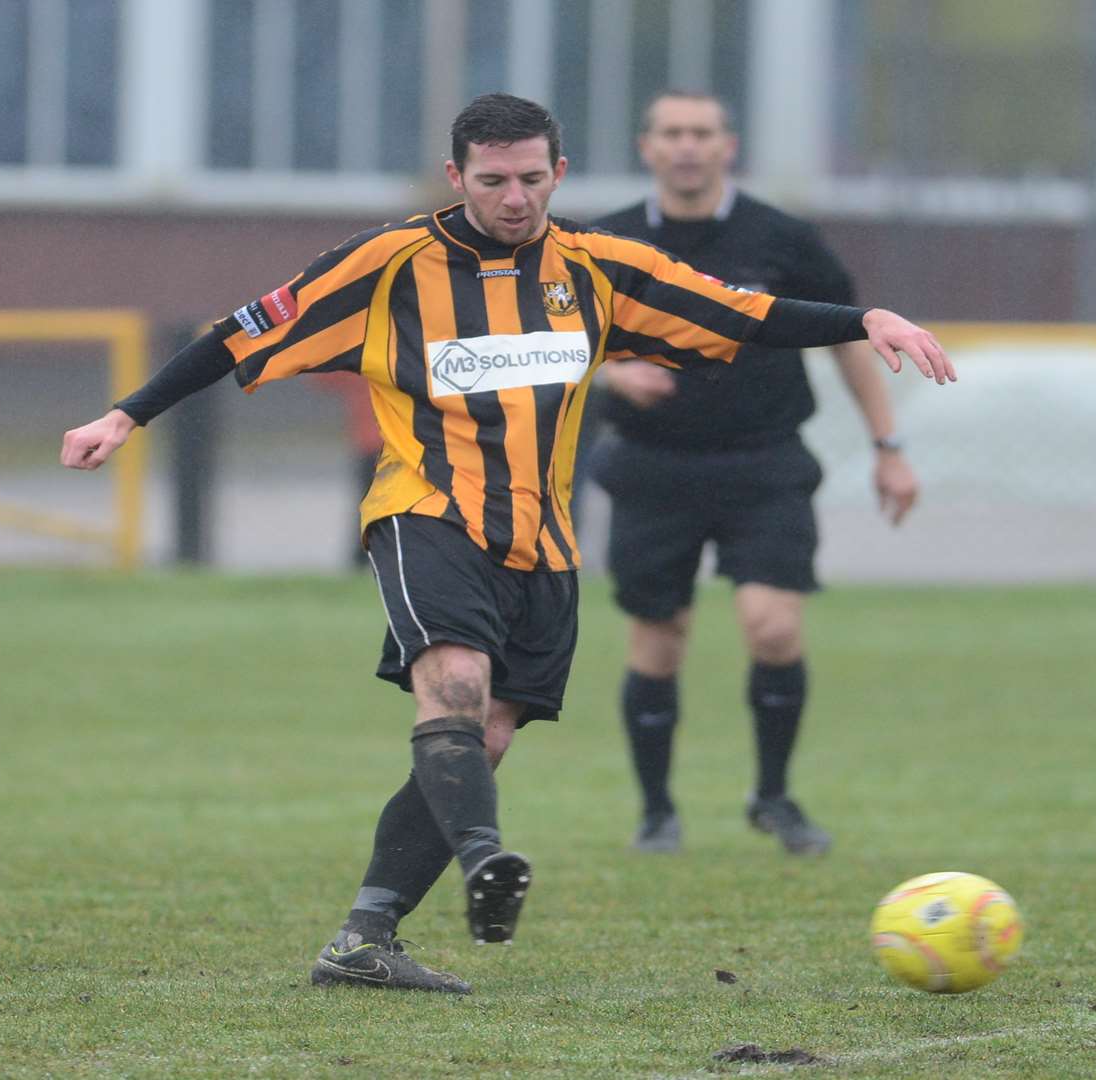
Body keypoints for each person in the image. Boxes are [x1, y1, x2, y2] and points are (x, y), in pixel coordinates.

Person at [59, 94, 955, 995]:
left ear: (558, 174)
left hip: (544, 541)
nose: (515, 197)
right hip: (427, 511)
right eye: (493, 180)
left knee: (483, 739)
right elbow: (245, 330)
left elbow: (740, 312)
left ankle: (364, 937)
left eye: (532, 178)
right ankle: (487, 858)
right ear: (457, 177)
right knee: (454, 687)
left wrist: (862, 318)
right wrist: (125, 414)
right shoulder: (390, 261)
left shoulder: (597, 265)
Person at [590, 91, 919, 856]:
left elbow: (848, 337)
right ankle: (657, 812)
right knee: (659, 640)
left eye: (702, 133)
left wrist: (889, 447)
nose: (687, 147)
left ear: (727, 145)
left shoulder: (783, 238)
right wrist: (611, 373)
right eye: (671, 133)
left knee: (773, 628)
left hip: (764, 461)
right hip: (651, 466)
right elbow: (554, 339)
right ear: (647, 148)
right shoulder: (603, 243)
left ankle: (773, 797)